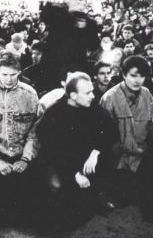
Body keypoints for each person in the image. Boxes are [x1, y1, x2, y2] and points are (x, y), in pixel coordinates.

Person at [37, 72, 118, 226]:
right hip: (60, 163)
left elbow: (111, 131)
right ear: (73, 96)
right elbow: (53, 152)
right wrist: (75, 173)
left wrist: (95, 152)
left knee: (108, 155)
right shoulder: (54, 114)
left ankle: (96, 195)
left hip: (85, 158)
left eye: (92, 91)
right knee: (57, 188)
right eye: (87, 93)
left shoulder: (92, 107)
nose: (93, 96)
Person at [0, 51, 43, 229]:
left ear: (19, 72)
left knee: (29, 212)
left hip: (22, 157)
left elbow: (35, 132)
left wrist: (26, 159)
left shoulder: (30, 95)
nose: (9, 79)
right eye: (4, 74)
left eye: (13, 74)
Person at [99, 55, 153, 207]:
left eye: (142, 76)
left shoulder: (147, 94)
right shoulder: (109, 98)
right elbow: (101, 135)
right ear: (124, 75)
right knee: (121, 199)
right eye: (133, 75)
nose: (138, 80)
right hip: (118, 159)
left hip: (141, 154)